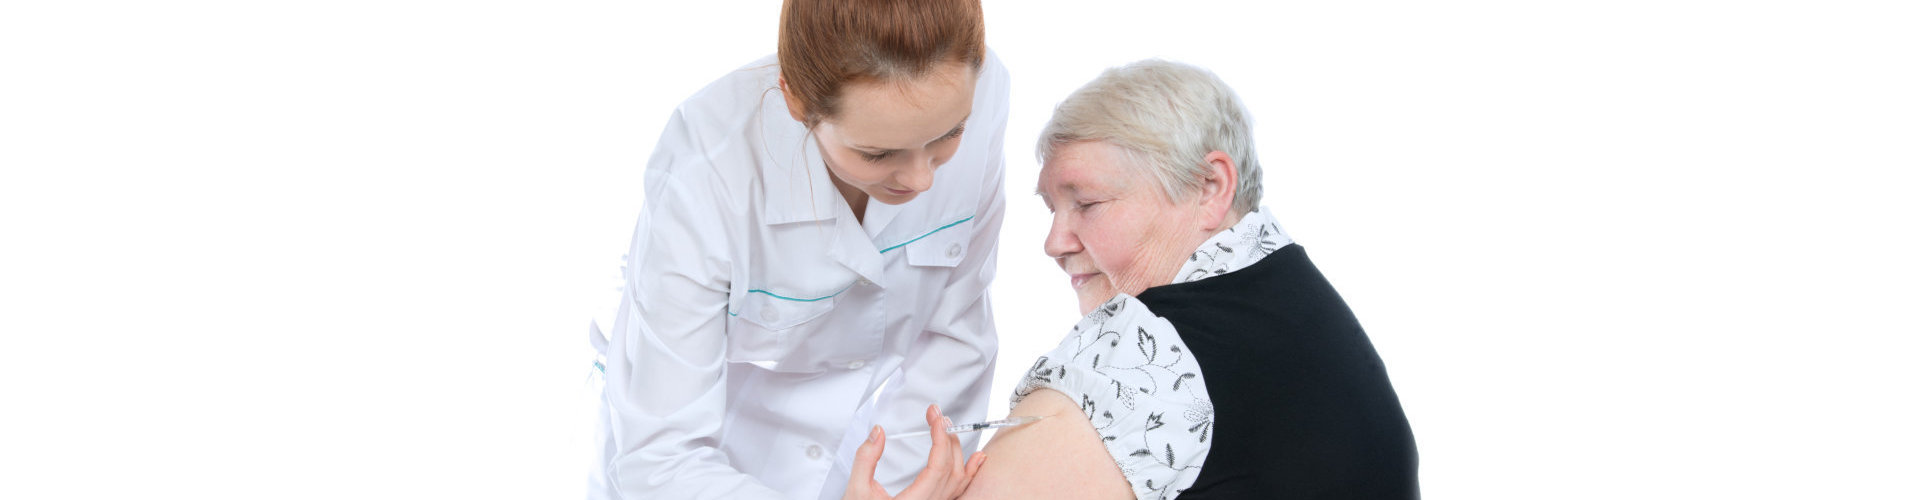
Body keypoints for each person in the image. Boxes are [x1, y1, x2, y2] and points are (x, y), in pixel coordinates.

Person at [850, 60, 1418, 499]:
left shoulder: (1145, 357)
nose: (1054, 242)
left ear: (1210, 187)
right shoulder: (1303, 305)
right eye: (1051, 208)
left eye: (1088, 203)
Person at [586, 0, 1009, 498]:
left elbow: (954, 334)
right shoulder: (706, 168)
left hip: (857, 456)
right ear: (797, 101)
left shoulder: (978, 87)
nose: (921, 179)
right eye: (877, 153)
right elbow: (660, 459)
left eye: (949, 134)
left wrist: (900, 490)